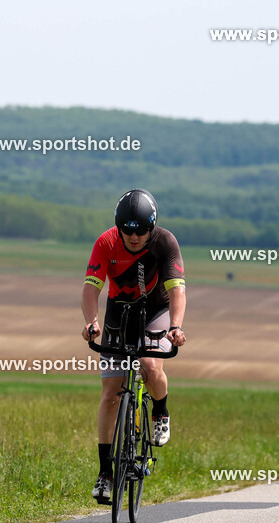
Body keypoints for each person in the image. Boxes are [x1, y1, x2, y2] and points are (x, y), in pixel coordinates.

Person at [80, 189, 186, 504]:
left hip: (155, 311)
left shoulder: (165, 242)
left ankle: (161, 412)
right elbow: (90, 289)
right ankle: (105, 474)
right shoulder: (106, 243)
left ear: (152, 227)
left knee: (151, 366)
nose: (134, 235)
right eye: (127, 229)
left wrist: (177, 326)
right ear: (118, 227)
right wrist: (91, 322)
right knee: (111, 394)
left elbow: (177, 291)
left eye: (141, 229)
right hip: (119, 313)